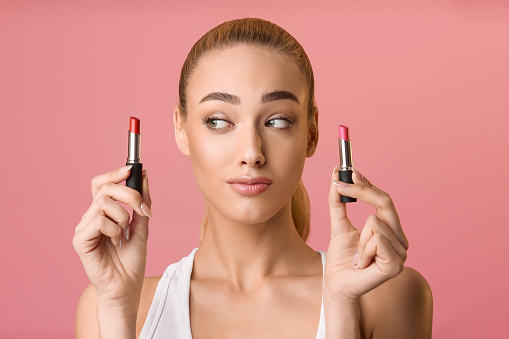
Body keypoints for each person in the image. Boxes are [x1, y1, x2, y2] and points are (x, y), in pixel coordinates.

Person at [73, 17, 433, 339]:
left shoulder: (386, 294)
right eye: (218, 121)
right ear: (182, 130)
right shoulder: (111, 301)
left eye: (277, 121)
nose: (251, 152)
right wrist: (118, 312)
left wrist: (339, 308)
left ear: (311, 133)